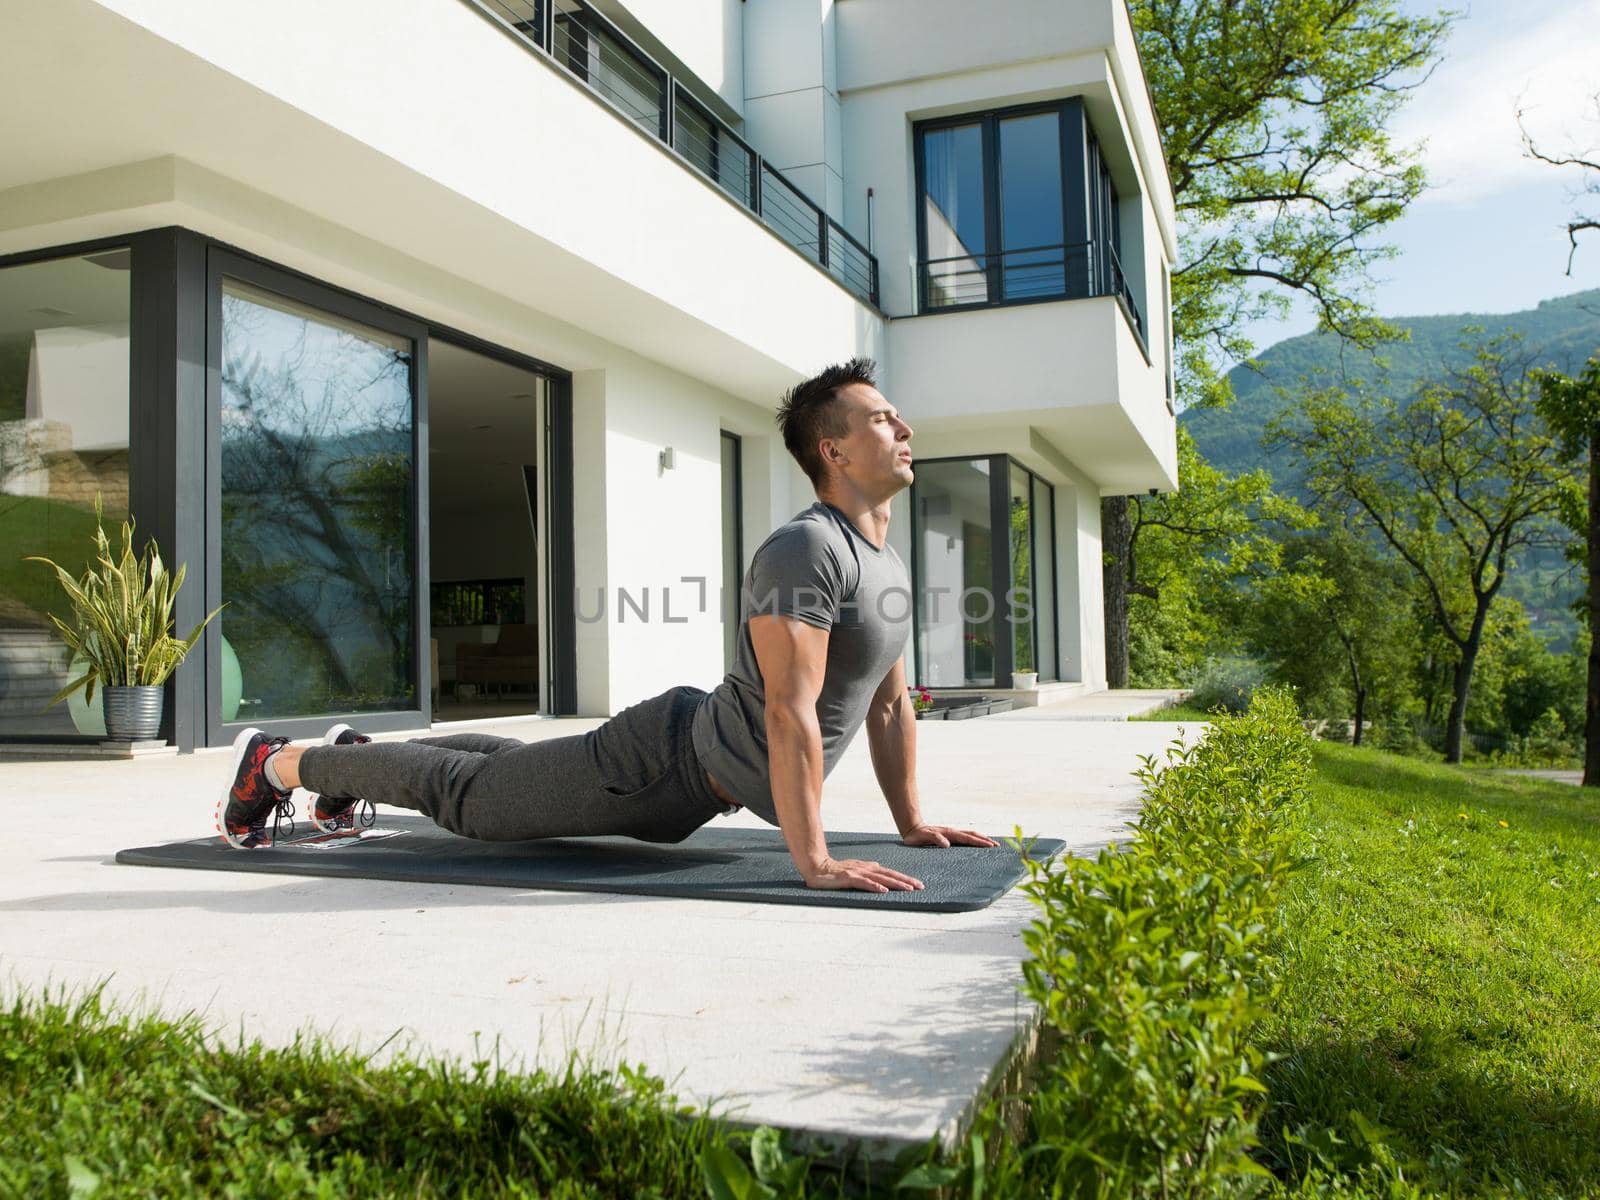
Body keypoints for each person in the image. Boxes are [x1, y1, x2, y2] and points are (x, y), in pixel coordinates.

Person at [216, 358, 996, 893]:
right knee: (475, 802)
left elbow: (889, 704)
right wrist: (816, 860)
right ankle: (281, 764)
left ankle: (359, 758)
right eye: (883, 420)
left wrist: (913, 822)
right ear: (835, 451)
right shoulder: (808, 548)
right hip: (665, 764)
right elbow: (787, 710)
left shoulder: (881, 559)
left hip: (682, 776)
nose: (906, 430)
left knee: (512, 767)